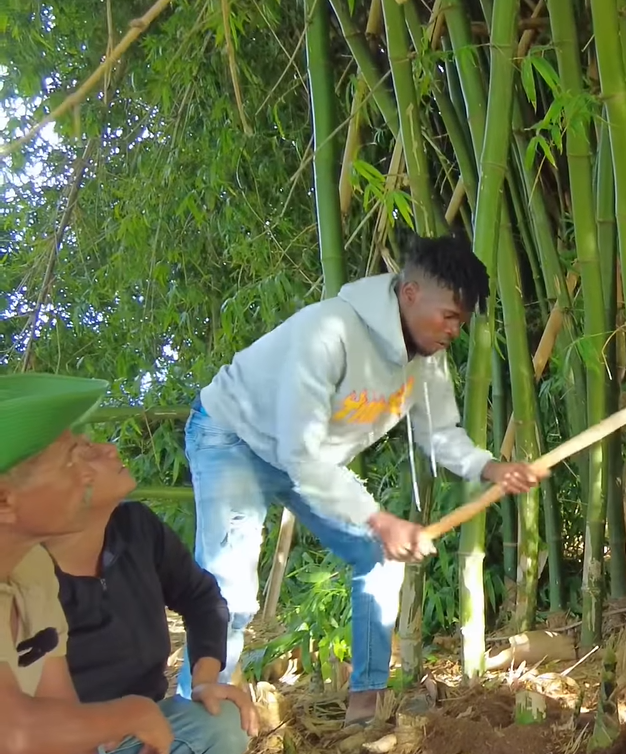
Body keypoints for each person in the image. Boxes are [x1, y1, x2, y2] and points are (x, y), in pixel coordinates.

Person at [182, 228, 549, 725]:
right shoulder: (329, 331)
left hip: (307, 460)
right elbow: (300, 454)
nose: (453, 332)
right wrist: (380, 518)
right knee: (230, 590)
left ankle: (366, 707)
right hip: (234, 437)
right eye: (449, 317)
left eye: (460, 323)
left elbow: (440, 432)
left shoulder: (425, 360)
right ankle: (197, 722)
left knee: (378, 558)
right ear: (411, 293)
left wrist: (490, 467)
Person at [46, 435, 258, 754]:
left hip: (142, 732)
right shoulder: (20, 574)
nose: (110, 448)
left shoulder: (136, 529)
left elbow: (201, 598)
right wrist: (95, 727)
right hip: (52, 740)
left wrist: (204, 680)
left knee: (222, 722)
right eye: (84, 454)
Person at [0, 372, 175, 754]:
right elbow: (14, 734)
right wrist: (129, 713)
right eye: (68, 461)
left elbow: (57, 706)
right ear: (4, 499)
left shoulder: (31, 568)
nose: (86, 474)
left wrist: (92, 728)